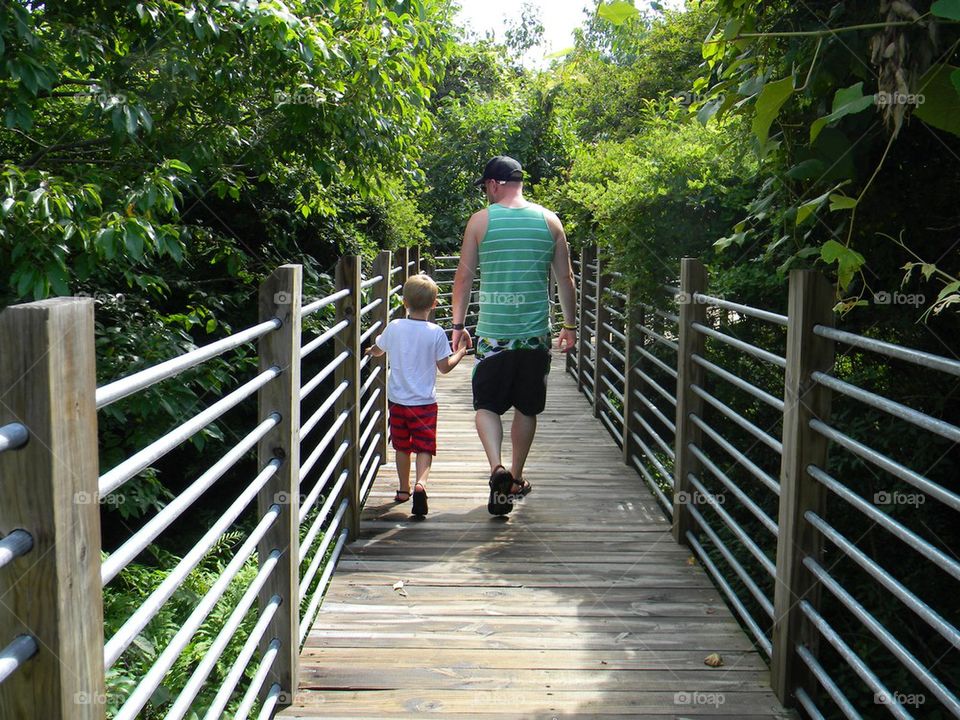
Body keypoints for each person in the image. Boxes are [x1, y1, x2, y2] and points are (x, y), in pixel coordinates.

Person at [451, 155, 577, 516]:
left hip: (493, 335)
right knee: (527, 407)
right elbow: (565, 278)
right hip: (535, 336)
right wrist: (570, 326)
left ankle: (497, 468)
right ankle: (516, 477)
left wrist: (458, 327)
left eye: (485, 188)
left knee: (487, 406)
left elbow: (463, 277)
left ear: (493, 184)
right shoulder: (551, 221)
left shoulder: (480, 222)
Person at [366, 272, 467, 516]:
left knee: (402, 447)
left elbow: (379, 350)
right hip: (424, 404)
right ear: (434, 304)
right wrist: (461, 352)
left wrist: (370, 350)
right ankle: (422, 483)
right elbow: (444, 367)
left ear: (404, 303)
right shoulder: (435, 332)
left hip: (398, 402)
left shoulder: (395, 327)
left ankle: (403, 490)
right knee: (424, 447)